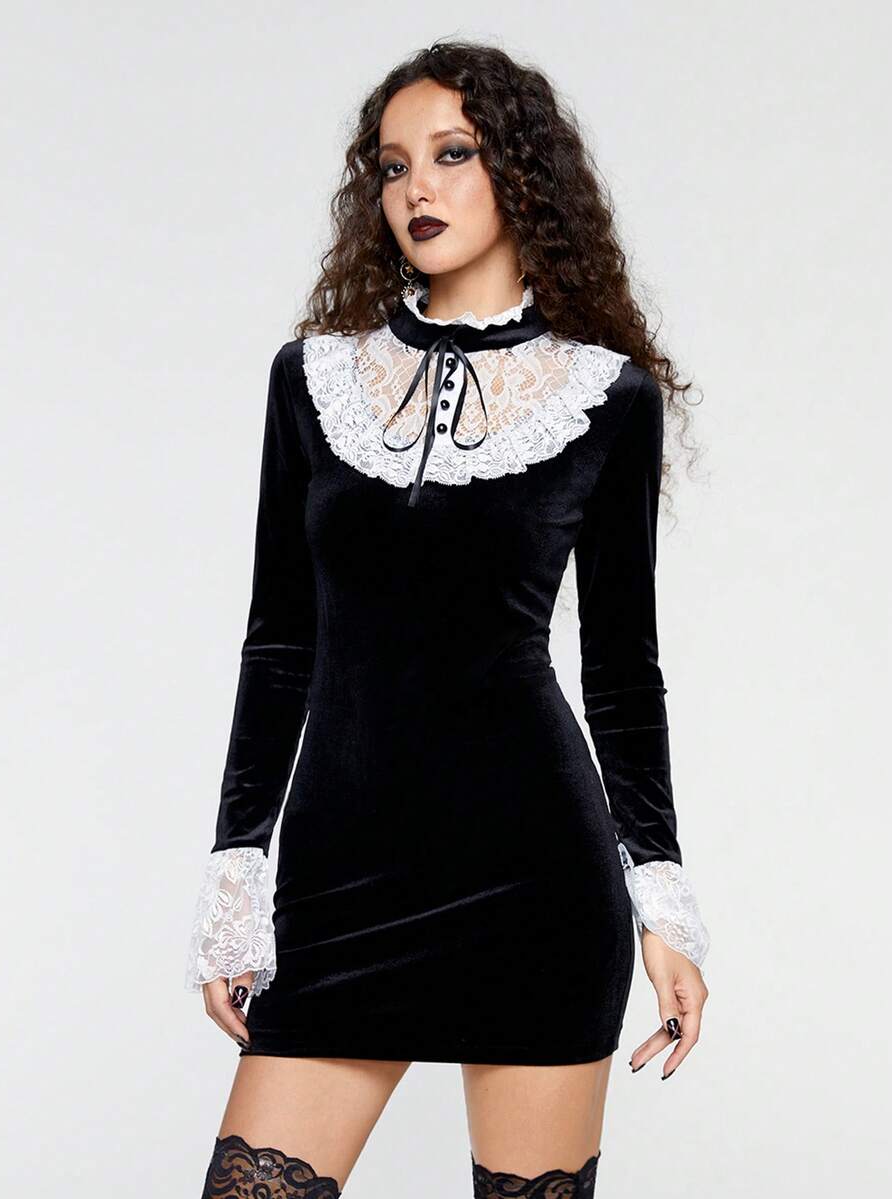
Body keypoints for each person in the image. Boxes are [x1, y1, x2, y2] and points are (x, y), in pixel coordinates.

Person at [185, 39, 711, 1199]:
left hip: (535, 878)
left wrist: (663, 900)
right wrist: (237, 874)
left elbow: (624, 673)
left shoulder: (606, 397)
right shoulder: (313, 381)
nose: (416, 187)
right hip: (341, 874)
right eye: (392, 166)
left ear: (520, 173)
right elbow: (280, 643)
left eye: (452, 154)